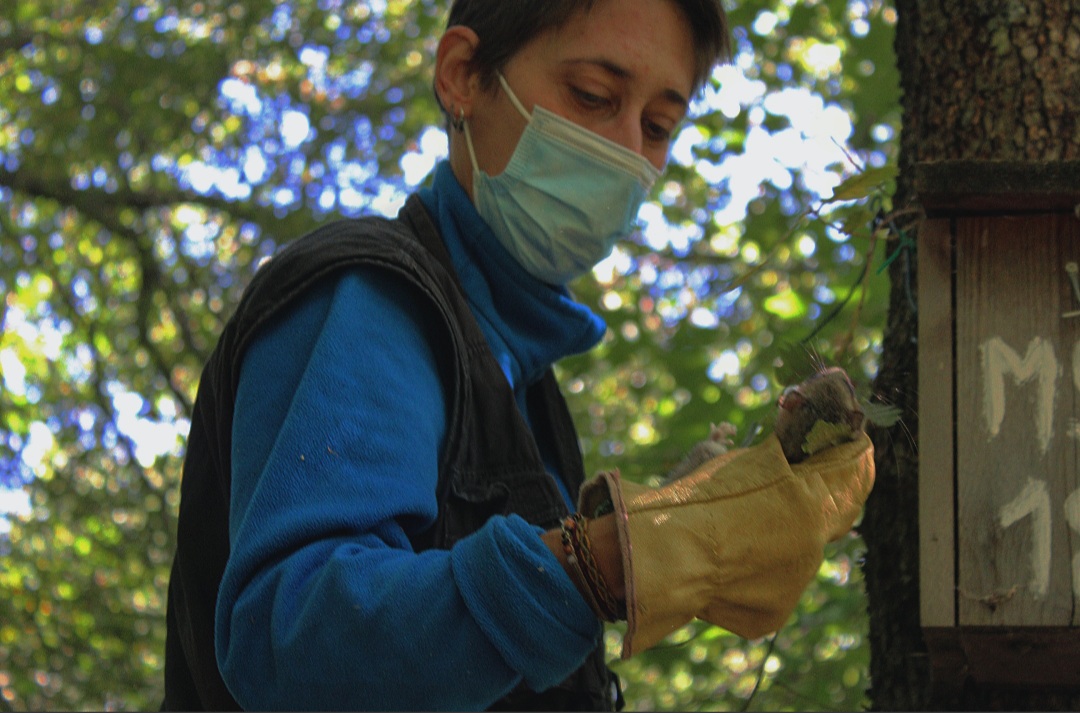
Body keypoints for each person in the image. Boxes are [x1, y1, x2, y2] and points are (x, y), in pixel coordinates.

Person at [161, 0, 876, 710]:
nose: (628, 149)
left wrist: (661, 520)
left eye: (658, 125)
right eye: (593, 95)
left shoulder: (522, 382)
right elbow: (296, 643)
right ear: (463, 75)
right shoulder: (374, 299)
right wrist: (614, 559)